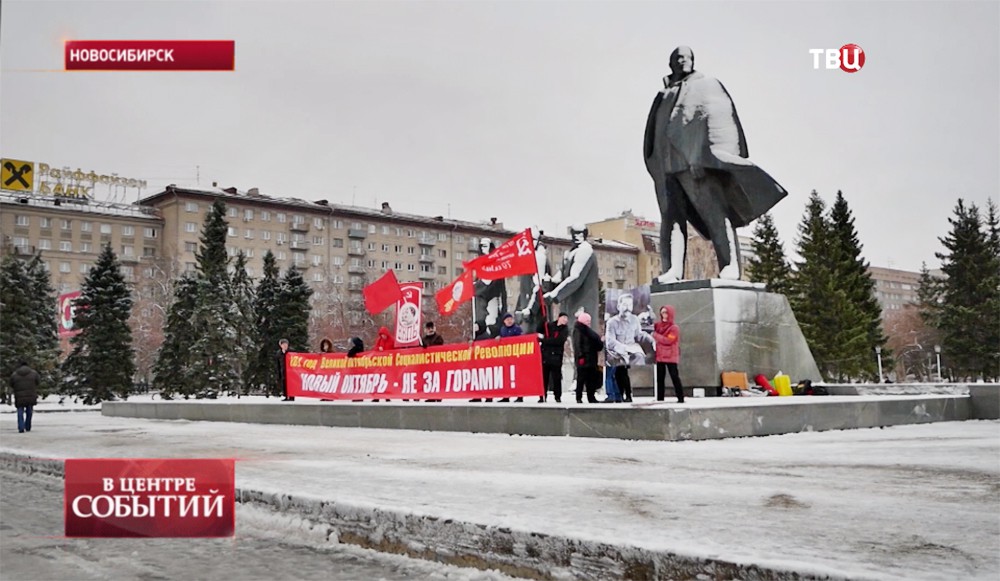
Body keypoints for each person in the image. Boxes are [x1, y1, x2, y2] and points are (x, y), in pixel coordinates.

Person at [644, 46, 787, 282]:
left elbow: (719, 120)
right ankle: (673, 270)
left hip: (693, 163)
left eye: (686, 57)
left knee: (715, 213)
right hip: (666, 166)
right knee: (671, 219)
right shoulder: (663, 95)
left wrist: (703, 157)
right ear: (671, 64)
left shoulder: (706, 85)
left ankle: (730, 266)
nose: (682, 62)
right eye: (677, 58)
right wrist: (656, 166)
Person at [544, 226, 599, 334]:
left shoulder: (585, 251)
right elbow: (562, 275)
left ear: (585, 235)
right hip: (570, 305)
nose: (577, 237)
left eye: (580, 234)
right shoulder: (571, 253)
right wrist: (550, 282)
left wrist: (555, 295)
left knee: (581, 339)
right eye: (575, 234)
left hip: (582, 304)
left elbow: (575, 278)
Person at [605, 294, 654, 402]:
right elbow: (610, 341)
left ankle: (627, 395)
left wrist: (651, 340)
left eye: (629, 305)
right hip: (618, 353)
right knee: (619, 372)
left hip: (632, 351)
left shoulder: (635, 320)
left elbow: (639, 335)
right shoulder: (612, 322)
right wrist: (624, 349)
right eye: (624, 304)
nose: (627, 307)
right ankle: (622, 395)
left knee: (638, 358)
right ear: (618, 306)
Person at [652, 305, 684, 403]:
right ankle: (660, 398)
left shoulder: (674, 328)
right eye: (662, 313)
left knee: (674, 376)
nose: (664, 315)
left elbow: (668, 340)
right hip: (660, 355)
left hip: (671, 356)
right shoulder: (658, 325)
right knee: (660, 378)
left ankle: (680, 397)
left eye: (666, 312)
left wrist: (655, 335)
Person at [474, 239, 507, 332]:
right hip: (481, 299)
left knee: (492, 323)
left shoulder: (496, 264)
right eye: (482, 246)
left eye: (485, 246)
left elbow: (501, 287)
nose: (483, 249)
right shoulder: (479, 263)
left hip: (493, 297)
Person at [537, 312, 569, 403]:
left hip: (556, 356)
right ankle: (542, 395)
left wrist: (545, 340)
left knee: (556, 378)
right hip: (546, 356)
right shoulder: (550, 326)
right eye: (563, 318)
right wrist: (542, 321)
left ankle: (557, 396)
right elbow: (539, 330)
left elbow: (558, 341)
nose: (565, 320)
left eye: (566, 319)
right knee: (544, 377)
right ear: (559, 318)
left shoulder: (564, 330)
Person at [572, 312, 604, 404]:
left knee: (591, 379)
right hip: (583, 359)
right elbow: (577, 345)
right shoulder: (578, 331)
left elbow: (596, 344)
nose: (589, 322)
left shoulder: (589, 332)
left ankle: (591, 396)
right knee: (581, 379)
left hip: (591, 358)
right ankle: (579, 397)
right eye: (587, 321)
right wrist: (581, 356)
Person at [496, 313, 524, 402]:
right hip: (506, 357)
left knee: (517, 377)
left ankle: (520, 396)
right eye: (507, 320)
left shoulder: (517, 329)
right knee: (506, 376)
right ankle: (506, 396)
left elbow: (521, 340)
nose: (509, 321)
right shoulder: (503, 329)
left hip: (516, 356)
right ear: (504, 321)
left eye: (510, 319)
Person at [10, 361, 39, 433]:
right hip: (31, 395)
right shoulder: (34, 373)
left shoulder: (15, 374)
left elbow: (11, 383)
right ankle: (28, 426)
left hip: (19, 396)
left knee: (20, 411)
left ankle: (21, 427)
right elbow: (38, 382)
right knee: (29, 411)